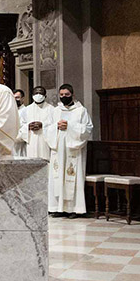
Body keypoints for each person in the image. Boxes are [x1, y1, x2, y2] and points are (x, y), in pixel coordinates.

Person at [46, 84, 93, 218]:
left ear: (72, 95)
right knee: (57, 176)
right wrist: (56, 126)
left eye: (66, 95)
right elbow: (47, 128)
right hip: (58, 149)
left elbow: (88, 129)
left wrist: (69, 126)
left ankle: (74, 209)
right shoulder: (56, 111)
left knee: (73, 178)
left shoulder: (81, 111)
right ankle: (58, 208)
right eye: (61, 95)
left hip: (73, 149)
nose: (64, 97)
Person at [17, 86, 54, 164]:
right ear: (32, 95)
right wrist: (28, 127)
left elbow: (55, 126)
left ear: (45, 96)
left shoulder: (52, 109)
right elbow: (20, 126)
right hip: (31, 142)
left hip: (45, 143)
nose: (38, 95)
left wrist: (43, 125)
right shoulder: (26, 110)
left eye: (40, 93)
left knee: (46, 164)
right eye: (36, 93)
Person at [13, 89, 27, 157]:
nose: (15, 100)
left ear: (23, 98)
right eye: (13, 98)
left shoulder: (26, 110)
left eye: (17, 97)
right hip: (11, 143)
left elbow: (26, 127)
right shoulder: (9, 111)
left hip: (21, 143)